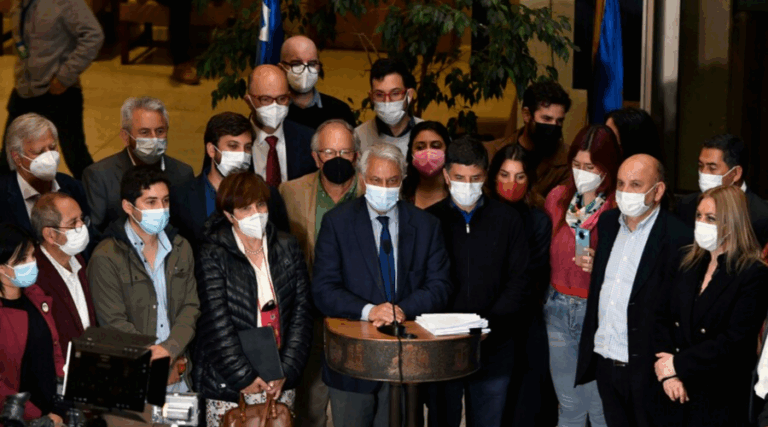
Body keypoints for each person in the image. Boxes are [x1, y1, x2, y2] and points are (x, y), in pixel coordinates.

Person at [312, 143, 452, 427]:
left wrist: (401, 309)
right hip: (351, 363)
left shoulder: (426, 225)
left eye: (392, 181)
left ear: (402, 180)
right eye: (376, 180)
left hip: (404, 363)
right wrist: (369, 310)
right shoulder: (336, 223)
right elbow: (324, 290)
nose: (384, 187)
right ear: (363, 179)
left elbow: (440, 285)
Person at [575, 154, 693, 427]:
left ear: (658, 190)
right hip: (606, 360)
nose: (626, 192)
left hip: (648, 368)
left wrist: (674, 367)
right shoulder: (607, 224)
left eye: (636, 184)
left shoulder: (678, 236)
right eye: (621, 183)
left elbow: (681, 306)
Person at [424, 136, 530, 427]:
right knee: (440, 419)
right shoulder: (427, 221)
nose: (467, 185)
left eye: (475, 178)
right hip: (442, 344)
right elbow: (422, 281)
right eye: (459, 177)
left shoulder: (508, 220)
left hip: (494, 342)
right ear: (446, 176)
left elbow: (519, 280)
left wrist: (488, 324)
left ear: (485, 177)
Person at [192, 171, 312, 426]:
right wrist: (243, 377)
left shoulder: (287, 245)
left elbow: (301, 313)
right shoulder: (212, 253)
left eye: (260, 204)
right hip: (230, 385)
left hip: (278, 377)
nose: (256, 213)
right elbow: (215, 323)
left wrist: (287, 372)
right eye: (245, 208)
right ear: (228, 215)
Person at [652, 185, 768, 427]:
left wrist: (677, 365)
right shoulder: (686, 261)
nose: (702, 223)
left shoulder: (752, 274)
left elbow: (734, 342)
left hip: (719, 399)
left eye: (711, 218)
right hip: (674, 392)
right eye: (699, 216)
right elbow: (661, 316)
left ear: (731, 222)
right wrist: (668, 376)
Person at [278, 119, 362, 427]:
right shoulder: (290, 193)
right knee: (310, 408)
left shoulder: (374, 191)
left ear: (357, 155)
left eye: (345, 150)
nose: (337, 157)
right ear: (316, 157)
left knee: (353, 411)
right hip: (309, 322)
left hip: (360, 324)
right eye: (328, 151)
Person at [88, 165, 200, 392]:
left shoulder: (181, 247)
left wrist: (170, 350)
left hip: (179, 372)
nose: (161, 209)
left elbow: (191, 307)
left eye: (165, 201)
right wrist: (159, 361)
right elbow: (113, 323)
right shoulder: (106, 255)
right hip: (133, 377)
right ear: (128, 206)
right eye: (151, 202)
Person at [542, 125, 622, 427]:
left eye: (590, 166)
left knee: (600, 405)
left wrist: (601, 263)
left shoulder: (618, 206)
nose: (582, 172)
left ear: (607, 168)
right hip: (558, 309)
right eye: (576, 164)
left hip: (598, 312)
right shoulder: (558, 199)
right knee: (570, 403)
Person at [487, 143, 557, 427]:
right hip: (486, 321)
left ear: (529, 180)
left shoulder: (539, 221)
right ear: (493, 177)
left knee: (526, 407)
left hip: (524, 322)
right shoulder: (480, 214)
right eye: (504, 175)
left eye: (519, 176)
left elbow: (531, 273)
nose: (510, 184)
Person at [0, 0, 103, 180]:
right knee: (8, 158)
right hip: (25, 91)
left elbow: (93, 36)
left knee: (76, 156)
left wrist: (64, 77)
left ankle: (99, 202)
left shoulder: (66, 2)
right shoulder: (20, 3)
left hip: (59, 92)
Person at [170, 112, 289, 250]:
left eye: (247, 148)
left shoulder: (269, 195)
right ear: (211, 150)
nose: (242, 155)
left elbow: (282, 247)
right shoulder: (180, 197)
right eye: (233, 146)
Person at [82, 97, 194, 233]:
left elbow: (188, 228)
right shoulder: (100, 176)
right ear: (125, 136)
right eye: (144, 132)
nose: (154, 139)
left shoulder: (183, 173)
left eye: (160, 131)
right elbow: (94, 232)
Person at [0, 223, 65, 424]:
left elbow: (55, 352)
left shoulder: (36, 296)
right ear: (2, 268)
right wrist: (36, 416)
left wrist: (59, 408)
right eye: (22, 260)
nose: (32, 263)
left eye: (32, 256)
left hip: (52, 413)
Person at [0, 114, 89, 236]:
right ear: (17, 158)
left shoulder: (73, 187)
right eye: (39, 152)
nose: (49, 156)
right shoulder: (2, 195)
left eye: (52, 148)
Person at [31, 193, 97, 356]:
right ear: (50, 235)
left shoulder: (79, 260)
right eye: (73, 223)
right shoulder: (35, 276)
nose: (81, 226)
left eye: (81, 219)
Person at [675, 134, 768, 246]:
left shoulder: (762, 216)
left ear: (736, 173)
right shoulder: (686, 206)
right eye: (701, 166)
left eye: (712, 168)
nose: (704, 173)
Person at [484, 80, 572, 198]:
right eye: (546, 119)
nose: (553, 126)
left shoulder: (568, 160)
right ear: (527, 115)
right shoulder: (491, 152)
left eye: (559, 121)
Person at [245, 65, 316, 188]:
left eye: (282, 98)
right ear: (249, 100)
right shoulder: (231, 141)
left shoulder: (309, 139)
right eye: (266, 99)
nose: (275, 106)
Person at [280, 36, 356, 130]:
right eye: (296, 63)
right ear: (281, 68)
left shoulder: (340, 111)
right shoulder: (273, 110)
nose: (305, 70)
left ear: (319, 68)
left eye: (312, 64)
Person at [355, 58, 423, 156]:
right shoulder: (358, 137)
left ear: (409, 95)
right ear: (371, 97)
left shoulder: (429, 135)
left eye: (395, 93)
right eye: (379, 94)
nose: (387, 101)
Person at [401, 121, 451, 209]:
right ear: (411, 152)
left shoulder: (459, 192)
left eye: (435, 146)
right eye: (420, 147)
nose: (428, 153)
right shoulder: (401, 191)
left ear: (447, 150)